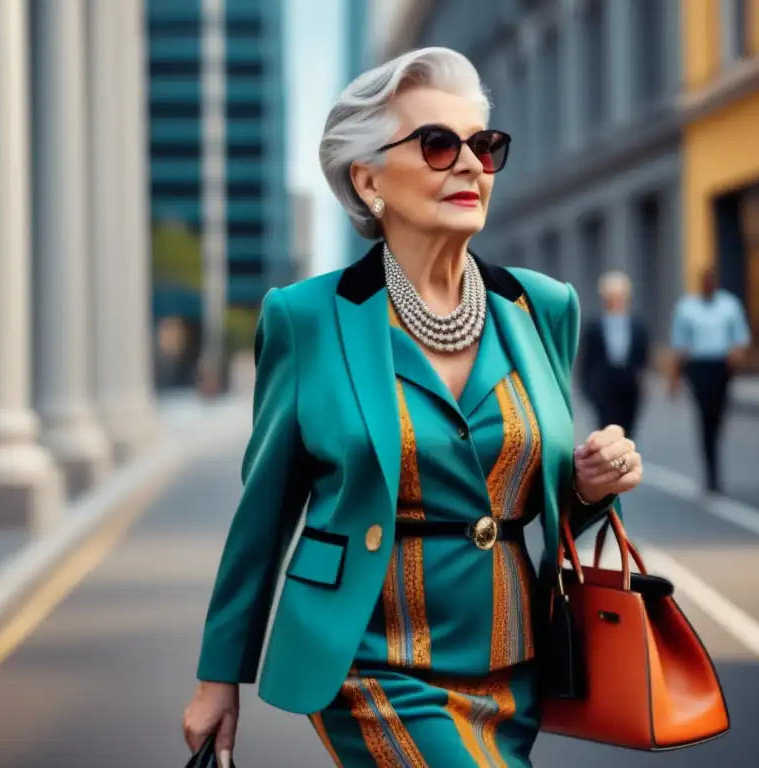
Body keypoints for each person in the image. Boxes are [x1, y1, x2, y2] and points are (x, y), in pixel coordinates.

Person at [181, 47, 644, 767]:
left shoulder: (543, 308)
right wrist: (220, 675)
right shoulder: (306, 319)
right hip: (368, 661)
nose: (469, 164)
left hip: (510, 666)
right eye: (437, 144)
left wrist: (587, 486)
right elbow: (265, 511)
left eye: (483, 146)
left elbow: (536, 501)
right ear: (368, 179)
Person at [669, 266, 750, 493]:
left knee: (718, 415)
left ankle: (714, 449)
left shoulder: (729, 305)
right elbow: (679, 345)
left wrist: (736, 355)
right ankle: (711, 471)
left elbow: (740, 337)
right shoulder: (687, 307)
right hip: (698, 366)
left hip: (721, 365)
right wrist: (674, 380)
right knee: (705, 415)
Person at [578, 271, 650, 438]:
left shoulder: (637, 325)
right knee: (607, 430)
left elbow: (643, 355)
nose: (616, 301)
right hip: (604, 384)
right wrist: (588, 389)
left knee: (628, 430)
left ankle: (624, 463)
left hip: (629, 384)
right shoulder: (594, 325)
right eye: (611, 297)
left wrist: (640, 378)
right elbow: (587, 359)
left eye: (619, 296)